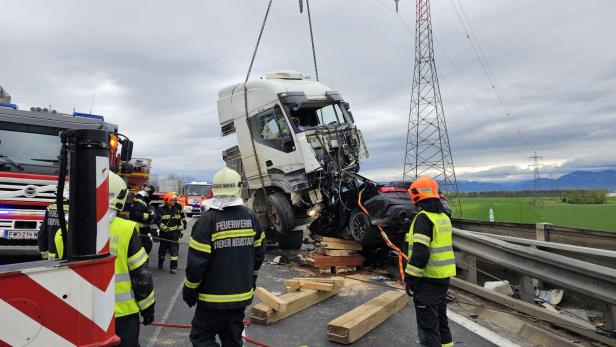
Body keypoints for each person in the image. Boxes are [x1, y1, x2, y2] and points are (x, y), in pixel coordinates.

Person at [52, 172, 155, 346]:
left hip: (78, 313)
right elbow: (141, 276)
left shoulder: (62, 232)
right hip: (121, 316)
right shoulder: (127, 229)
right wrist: (147, 307)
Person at [183, 167, 265, 347]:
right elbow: (259, 256)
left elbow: (196, 265)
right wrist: (250, 282)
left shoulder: (206, 221)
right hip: (240, 297)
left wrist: (189, 291)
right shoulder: (251, 218)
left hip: (211, 300)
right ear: (238, 187)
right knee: (233, 340)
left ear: (214, 189)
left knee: (202, 338)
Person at [405, 176, 455, 347]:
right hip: (443, 279)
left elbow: (420, 254)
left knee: (428, 329)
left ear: (416, 195)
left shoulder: (423, 218)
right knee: (441, 322)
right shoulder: (443, 217)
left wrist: (410, 279)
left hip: (427, 281)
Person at [157, 192, 186, 274]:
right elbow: (157, 221)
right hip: (164, 234)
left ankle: (173, 267)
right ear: (167, 200)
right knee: (162, 251)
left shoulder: (176, 209)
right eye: (173, 200)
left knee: (174, 251)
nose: (174, 201)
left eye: (175, 200)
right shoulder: (160, 210)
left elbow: (178, 222)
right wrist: (163, 227)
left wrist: (181, 231)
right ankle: (160, 262)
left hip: (174, 235)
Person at [37, 185, 69, 260]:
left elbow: (42, 233)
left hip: (52, 257)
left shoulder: (50, 208)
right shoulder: (76, 209)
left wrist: (44, 253)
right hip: (69, 258)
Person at [128, 184, 157, 255]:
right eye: (145, 188)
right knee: (145, 246)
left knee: (146, 245)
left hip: (142, 228)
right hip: (138, 229)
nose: (144, 188)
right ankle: (141, 262)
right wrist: (150, 216)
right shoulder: (139, 200)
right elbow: (137, 214)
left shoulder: (142, 200)